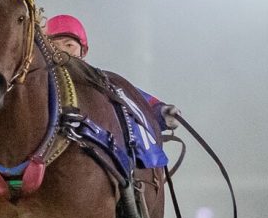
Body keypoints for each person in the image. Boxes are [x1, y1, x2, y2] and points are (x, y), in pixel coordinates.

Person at [44, 13, 179, 131]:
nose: (62, 52)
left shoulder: (100, 80)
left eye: (69, 45)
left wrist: (160, 112)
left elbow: (130, 97)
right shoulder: (37, 82)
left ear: (83, 51)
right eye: (54, 46)